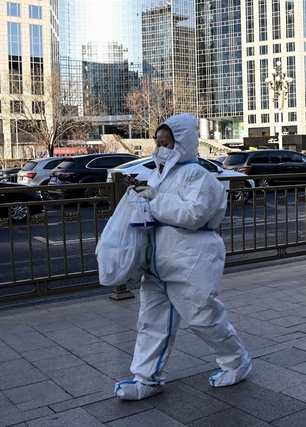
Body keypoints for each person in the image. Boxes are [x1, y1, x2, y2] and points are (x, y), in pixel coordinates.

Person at [115, 113, 252, 401]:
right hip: (158, 265)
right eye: (158, 142)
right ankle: (146, 378)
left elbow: (194, 215)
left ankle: (236, 362)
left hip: (191, 262)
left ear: (183, 143)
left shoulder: (199, 176)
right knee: (151, 322)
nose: (161, 148)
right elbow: (153, 207)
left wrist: (154, 198)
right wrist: (139, 196)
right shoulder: (157, 174)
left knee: (205, 318)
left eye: (167, 142)